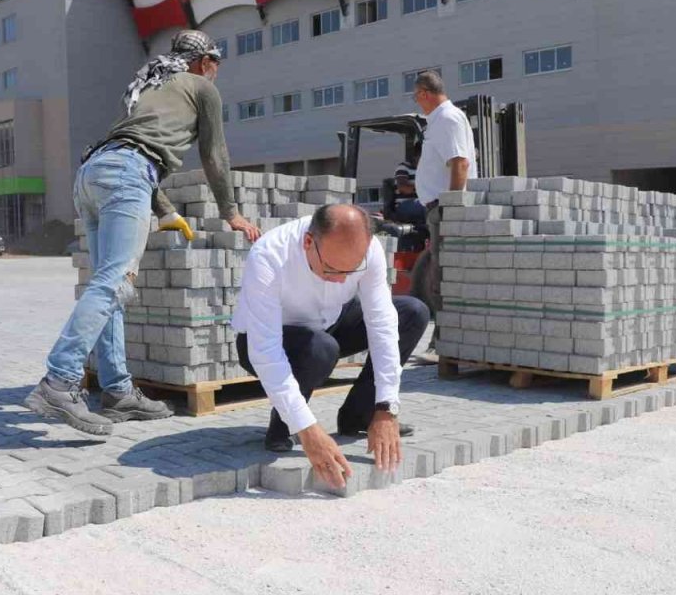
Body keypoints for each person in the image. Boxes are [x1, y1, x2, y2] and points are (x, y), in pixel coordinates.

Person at [26, 30, 261, 436]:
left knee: (108, 287)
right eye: (216, 65)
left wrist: (165, 210)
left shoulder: (148, 82)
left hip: (92, 174)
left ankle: (117, 392)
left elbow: (130, 144)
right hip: (128, 175)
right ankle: (59, 382)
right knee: (115, 284)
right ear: (205, 61)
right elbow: (214, 153)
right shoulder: (201, 87)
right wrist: (232, 213)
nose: (215, 73)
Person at [232, 204, 429, 489]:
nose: (340, 279)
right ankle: (285, 424)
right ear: (309, 243)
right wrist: (308, 430)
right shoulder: (269, 254)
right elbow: (266, 350)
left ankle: (359, 416)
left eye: (350, 271)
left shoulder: (367, 248)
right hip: (268, 340)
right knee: (321, 348)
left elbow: (382, 323)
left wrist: (387, 408)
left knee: (412, 312)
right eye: (332, 269)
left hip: (330, 322)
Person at [408, 71, 476, 347]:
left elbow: (459, 162)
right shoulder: (437, 122)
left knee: (442, 276)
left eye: (416, 96)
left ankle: (443, 341)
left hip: (443, 207)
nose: (416, 101)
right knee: (439, 273)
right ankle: (442, 341)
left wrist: (452, 206)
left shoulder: (447, 119)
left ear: (424, 93)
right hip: (435, 207)